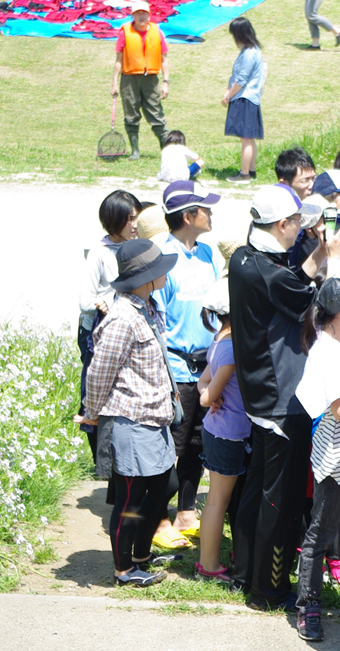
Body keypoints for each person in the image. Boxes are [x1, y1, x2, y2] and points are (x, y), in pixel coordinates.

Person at [228, 184, 318, 608]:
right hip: (282, 398)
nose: (300, 230)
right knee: (277, 500)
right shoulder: (270, 273)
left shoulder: (244, 258)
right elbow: (306, 297)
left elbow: (291, 281)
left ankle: (244, 572)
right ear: (282, 225)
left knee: (256, 489)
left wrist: (314, 259)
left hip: (259, 391)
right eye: (297, 223)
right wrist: (328, 260)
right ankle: (267, 588)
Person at [83, 238, 179, 587]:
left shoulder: (146, 306)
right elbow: (99, 372)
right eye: (159, 270)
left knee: (165, 485)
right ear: (144, 277)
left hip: (154, 418)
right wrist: (92, 413)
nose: (165, 274)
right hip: (132, 420)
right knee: (129, 500)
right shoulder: (123, 317)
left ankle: (140, 555)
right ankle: (125, 570)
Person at [293, 277, 340, 640]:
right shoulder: (324, 350)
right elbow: (339, 409)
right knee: (321, 534)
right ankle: (307, 608)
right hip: (335, 454)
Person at [150, 181, 222, 549]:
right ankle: (158, 517)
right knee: (172, 444)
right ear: (188, 216)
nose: (211, 213)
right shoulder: (161, 255)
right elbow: (157, 318)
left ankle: (187, 510)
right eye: (205, 208)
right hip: (176, 366)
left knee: (197, 442)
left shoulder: (208, 253)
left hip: (207, 365)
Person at [78, 190, 142, 463]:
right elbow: (84, 300)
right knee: (96, 391)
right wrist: (102, 302)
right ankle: (100, 461)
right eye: (130, 219)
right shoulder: (99, 253)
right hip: (97, 332)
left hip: (125, 330)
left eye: (137, 217)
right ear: (115, 221)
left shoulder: (137, 245)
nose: (135, 224)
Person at [194, 278, 247, 583]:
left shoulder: (219, 339)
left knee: (217, 499)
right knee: (216, 502)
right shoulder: (231, 349)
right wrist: (210, 397)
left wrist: (209, 391)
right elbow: (205, 394)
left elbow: (204, 380)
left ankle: (209, 560)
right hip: (228, 433)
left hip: (218, 430)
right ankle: (208, 565)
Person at [110, 0, 169, 161]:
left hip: (150, 79)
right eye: (137, 13)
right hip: (129, 79)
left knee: (156, 115)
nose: (141, 16)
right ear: (133, 15)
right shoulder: (125, 32)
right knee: (131, 115)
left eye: (144, 13)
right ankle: (135, 151)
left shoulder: (157, 32)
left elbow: (164, 59)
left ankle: (167, 151)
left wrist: (166, 82)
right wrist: (115, 83)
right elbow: (118, 60)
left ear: (149, 15)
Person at [221, 17, 266, 184]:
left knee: (245, 139)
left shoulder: (248, 54)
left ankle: (244, 174)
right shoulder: (253, 50)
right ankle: (251, 170)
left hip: (244, 98)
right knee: (249, 138)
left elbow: (241, 80)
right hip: (251, 98)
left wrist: (228, 95)